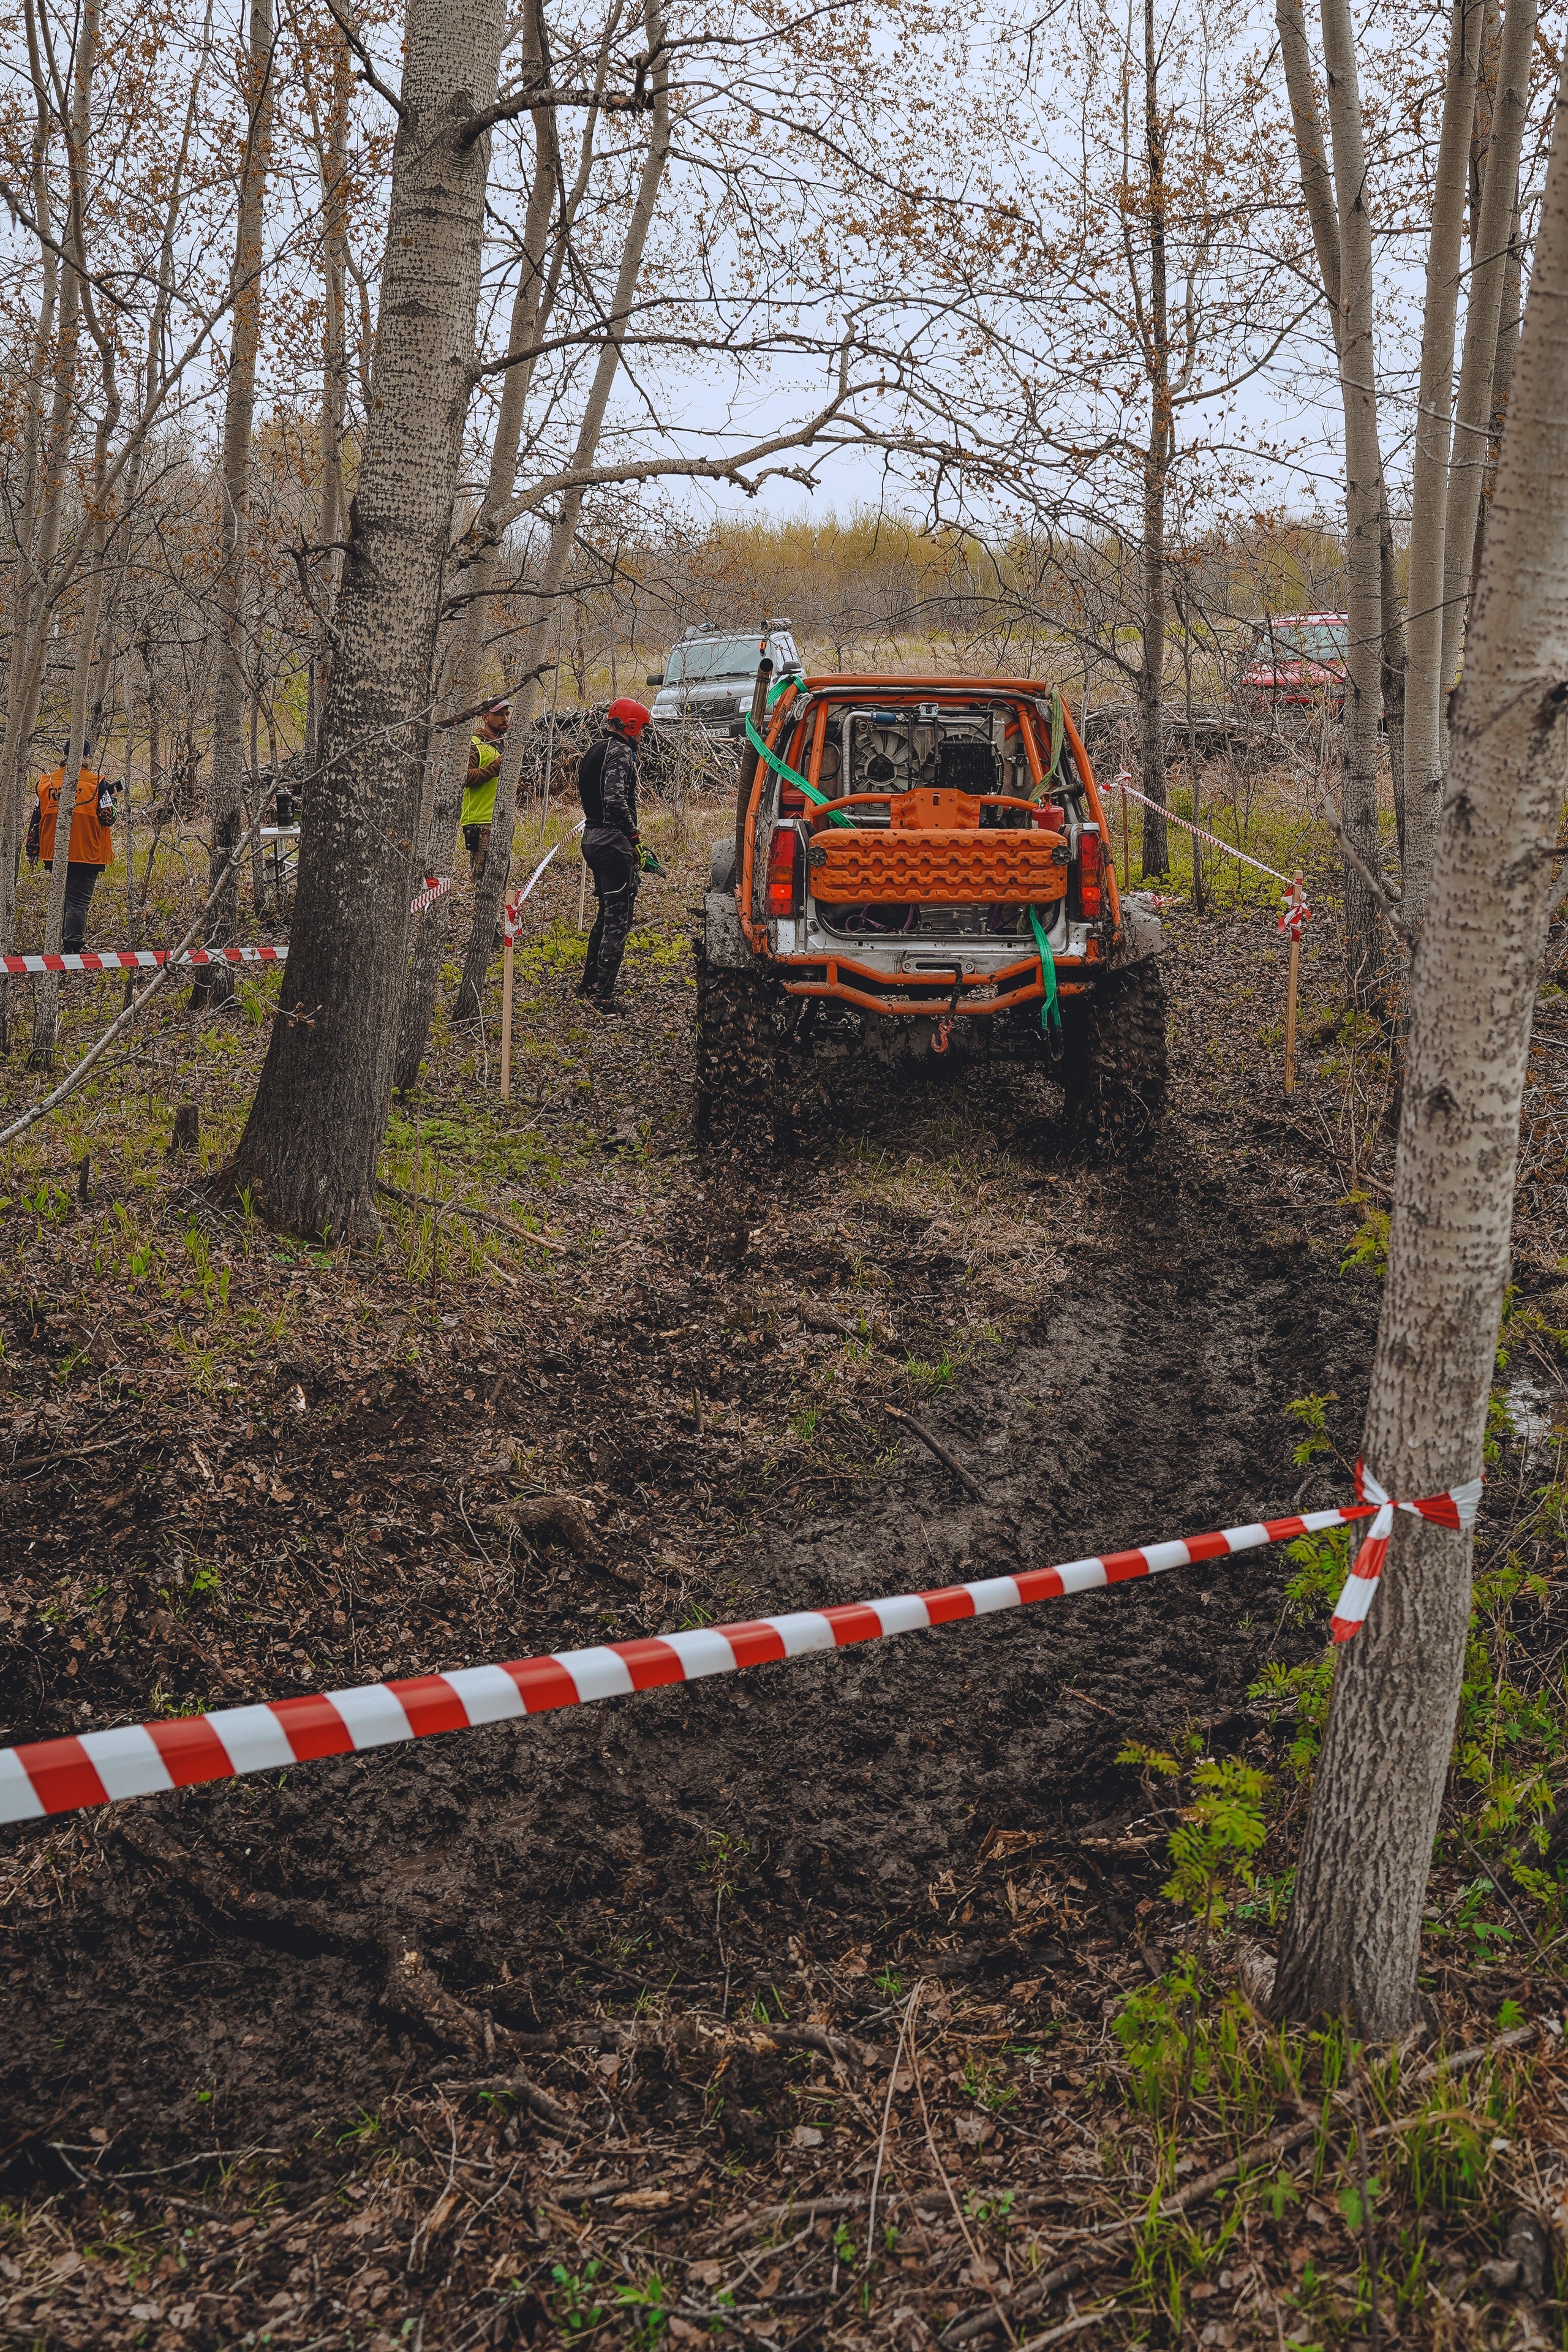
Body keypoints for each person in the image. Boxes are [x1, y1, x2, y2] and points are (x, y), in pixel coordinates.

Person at [576, 698, 652, 1014]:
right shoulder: (620, 752)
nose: (643, 736)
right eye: (642, 729)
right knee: (618, 920)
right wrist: (635, 839)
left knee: (605, 914)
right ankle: (604, 997)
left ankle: (590, 983)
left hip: (592, 839)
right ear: (631, 726)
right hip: (612, 842)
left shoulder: (593, 751)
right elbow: (615, 800)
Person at [26, 743, 117, 950]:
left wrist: (32, 850)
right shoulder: (98, 784)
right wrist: (114, 800)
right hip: (86, 854)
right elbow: (108, 817)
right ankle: (72, 951)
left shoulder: (46, 782)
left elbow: (36, 818)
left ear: (65, 755)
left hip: (53, 854)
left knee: (62, 901)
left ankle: (56, 946)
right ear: (87, 757)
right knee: (77, 904)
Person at [460, 703, 510, 879]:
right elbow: (465, 778)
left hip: (502, 820)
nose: (505, 719)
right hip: (480, 823)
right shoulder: (474, 743)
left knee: (499, 878)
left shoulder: (505, 746)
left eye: (507, 714)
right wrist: (495, 768)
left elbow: (496, 784)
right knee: (483, 879)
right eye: (499, 714)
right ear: (485, 717)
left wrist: (517, 786)